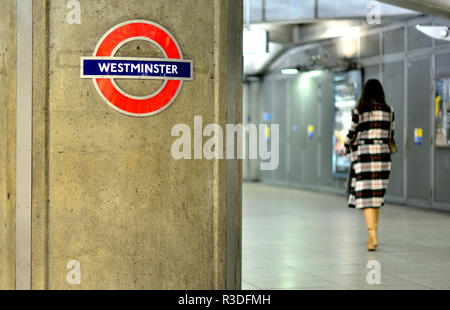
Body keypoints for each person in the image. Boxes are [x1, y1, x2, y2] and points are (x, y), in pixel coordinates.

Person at [342, 79, 395, 251]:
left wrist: (345, 149)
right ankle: (372, 236)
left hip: (364, 154)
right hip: (383, 154)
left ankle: (372, 233)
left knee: (366, 197)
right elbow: (390, 134)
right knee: (377, 196)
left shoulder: (359, 111)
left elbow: (352, 133)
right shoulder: (389, 111)